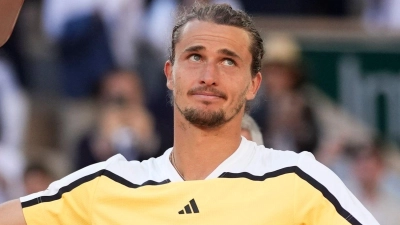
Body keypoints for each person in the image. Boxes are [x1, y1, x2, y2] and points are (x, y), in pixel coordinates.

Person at [0, 3, 379, 224]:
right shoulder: (107, 186)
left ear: (253, 84)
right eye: (195, 57)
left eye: (228, 62)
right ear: (169, 74)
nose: (209, 76)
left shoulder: (301, 183)